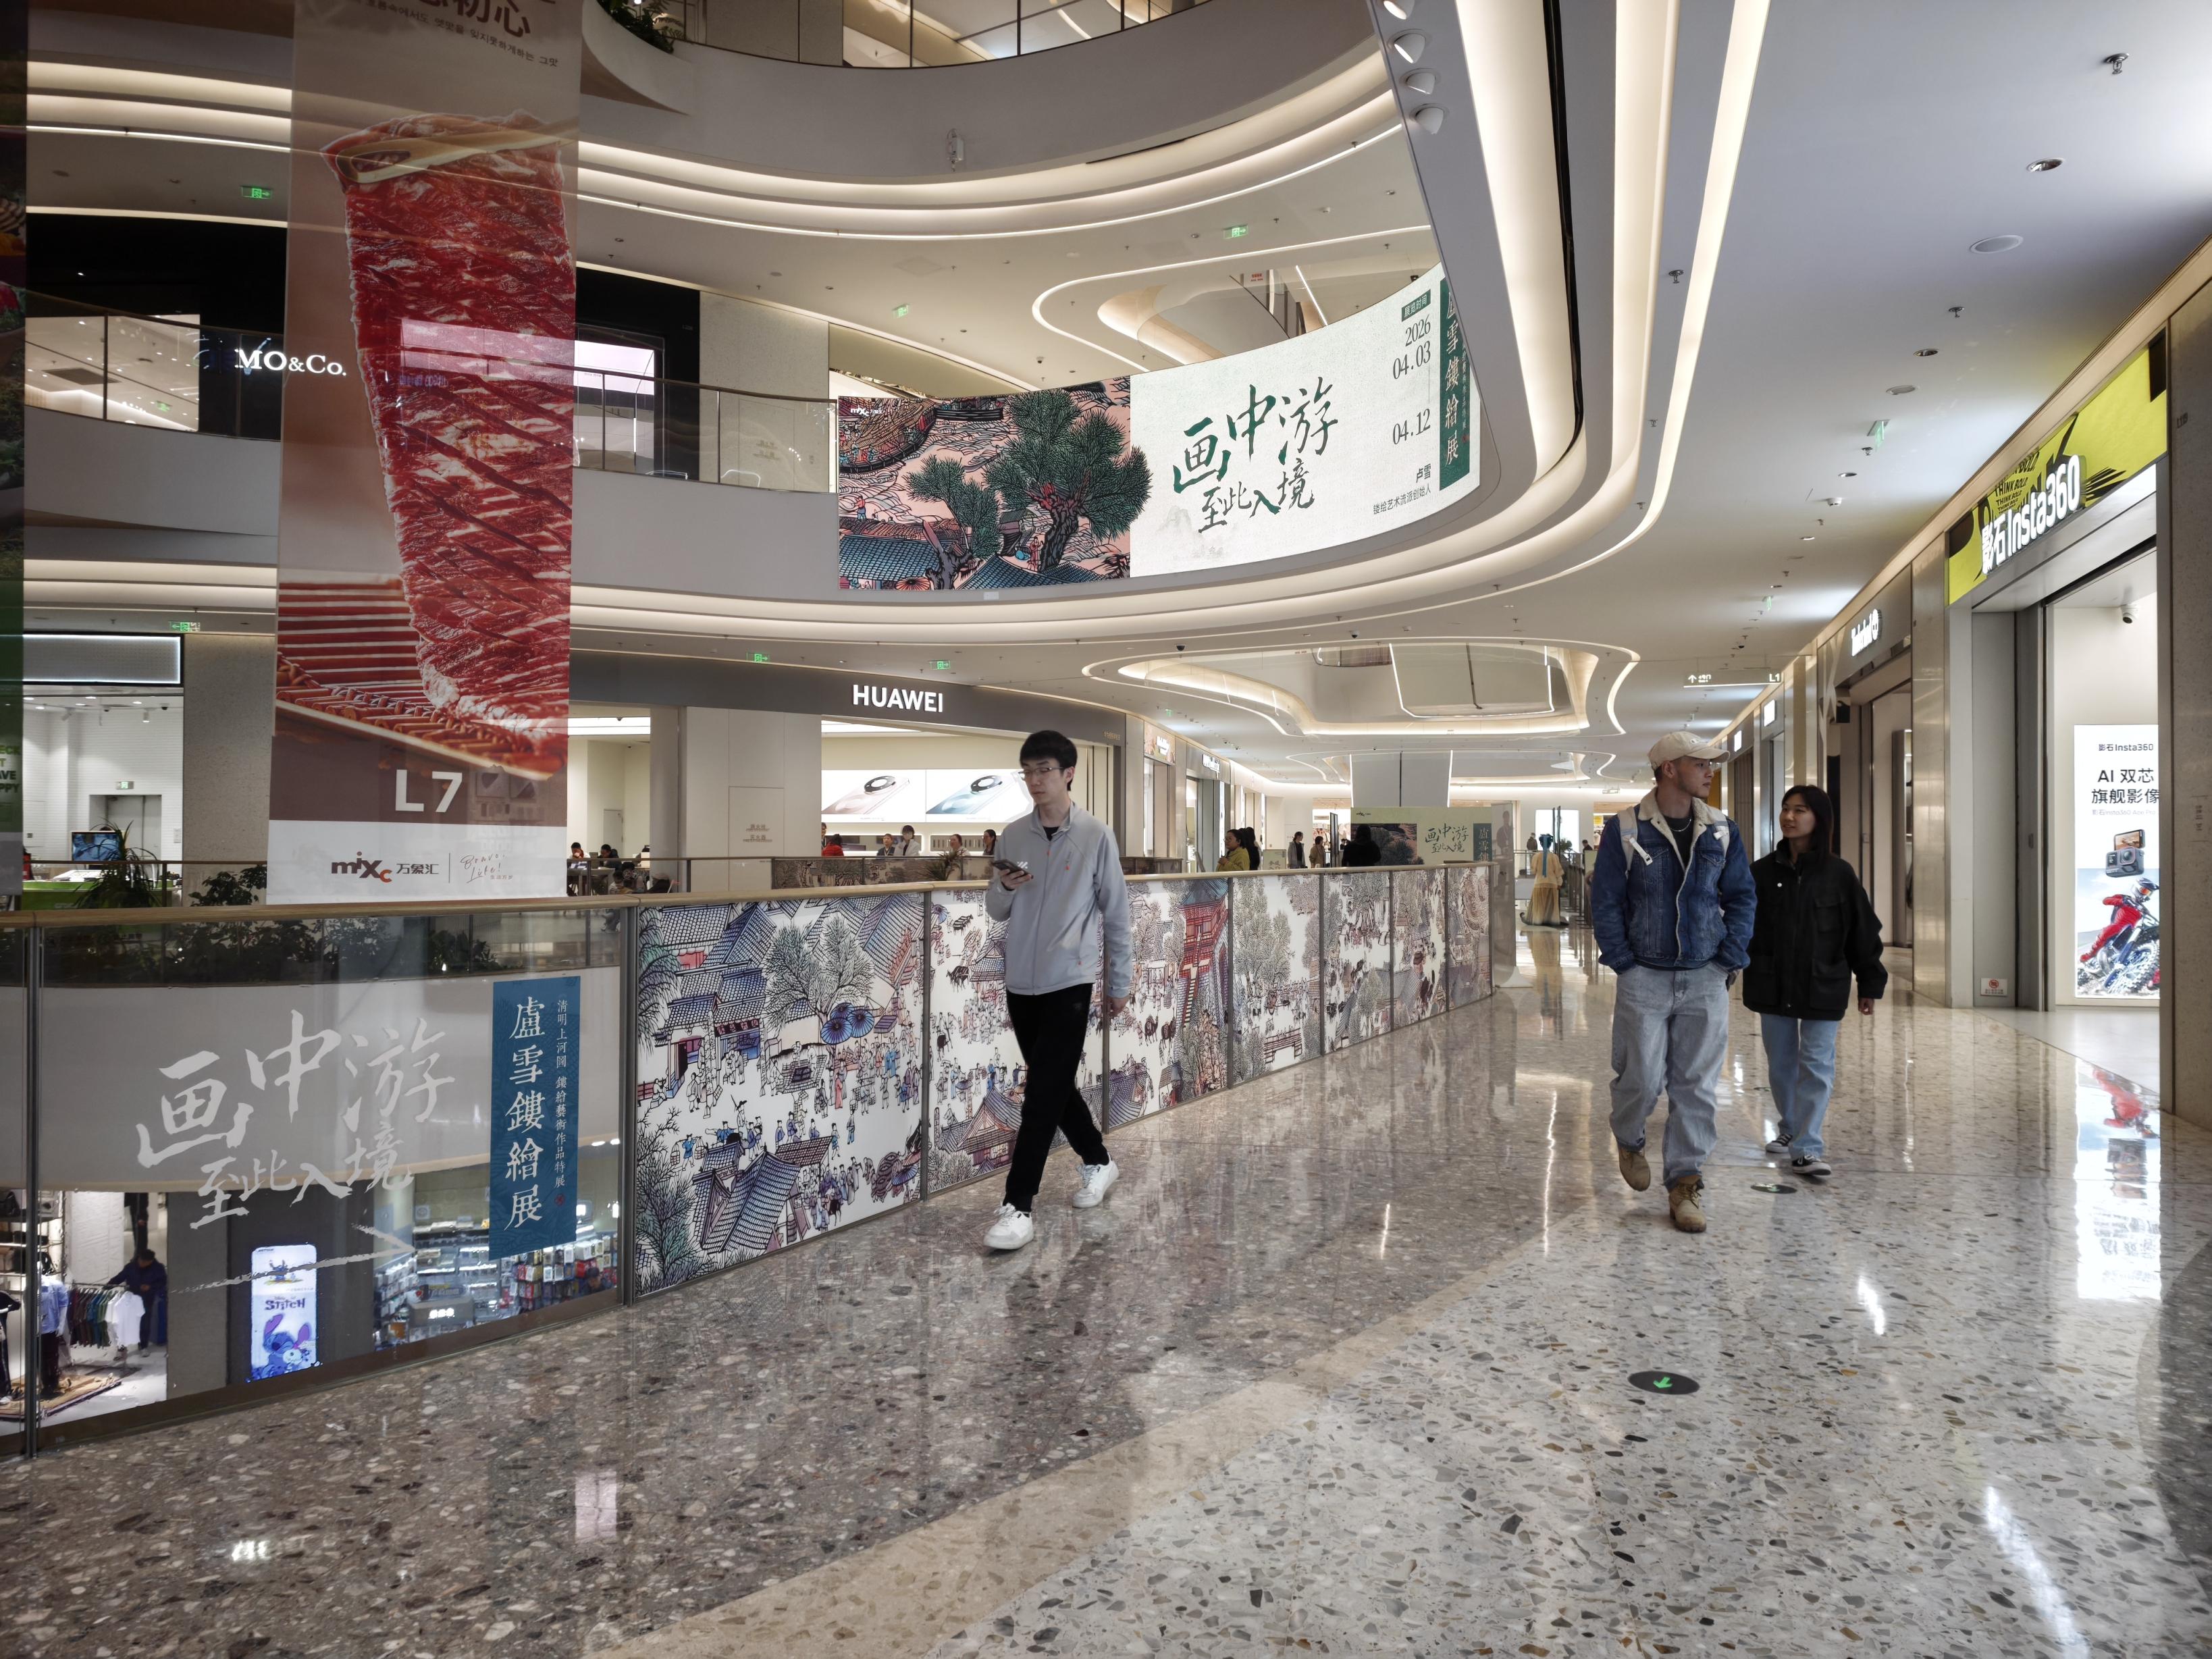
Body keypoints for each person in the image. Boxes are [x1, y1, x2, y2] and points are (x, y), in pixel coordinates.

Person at [1589, 731, 1756, 1234]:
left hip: (1705, 974)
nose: (1709, 771)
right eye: (1699, 763)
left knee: (1696, 1086)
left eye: (1710, 764)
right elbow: (1606, 901)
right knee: (1640, 1077)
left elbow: (1741, 897)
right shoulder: (1625, 829)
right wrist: (1624, 962)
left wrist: (1727, 960)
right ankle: (1629, 1137)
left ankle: (1685, 1182)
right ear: (1668, 769)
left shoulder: (1721, 830)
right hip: (1645, 973)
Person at [982, 729, 1132, 1251]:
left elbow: (1117, 914)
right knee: (1054, 1084)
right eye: (1027, 770)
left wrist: (1119, 982)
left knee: (1041, 1094)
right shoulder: (1013, 836)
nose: (1034, 780)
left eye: (1044, 769)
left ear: (1069, 773)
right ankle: (1098, 1159)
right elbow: (996, 910)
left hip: (1070, 979)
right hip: (1020, 983)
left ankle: (1018, 1204)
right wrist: (1004, 886)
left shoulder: (1095, 835)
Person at [1743, 785, 1884, 1182]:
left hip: (1824, 983)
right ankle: (1790, 1127)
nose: (1789, 817)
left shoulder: (1839, 874)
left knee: (1817, 1064)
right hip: (1772, 983)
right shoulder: (1761, 872)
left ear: (1819, 818)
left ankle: (1808, 1147)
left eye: (1800, 810)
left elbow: (1862, 931)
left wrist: (1869, 981)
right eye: (1786, 809)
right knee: (1781, 1064)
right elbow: (1742, 927)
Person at [109, 1245, 166, 1352]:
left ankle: (143, 1346)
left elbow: (163, 1282)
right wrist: (108, 1286)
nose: (141, 1263)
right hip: (131, 1297)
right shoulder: (131, 1267)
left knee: (144, 1323)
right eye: (140, 1260)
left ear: (150, 1261)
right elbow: (120, 1277)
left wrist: (150, 1287)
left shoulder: (158, 1268)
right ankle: (122, 1347)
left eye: (144, 1262)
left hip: (147, 1299)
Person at [1523, 833, 1566, 928]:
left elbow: (1534, 871)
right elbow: (1558, 873)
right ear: (1550, 844)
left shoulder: (1536, 857)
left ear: (1541, 844)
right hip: (1552, 883)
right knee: (1551, 906)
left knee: (1539, 906)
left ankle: (1538, 920)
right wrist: (1560, 883)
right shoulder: (1554, 857)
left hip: (1539, 883)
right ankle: (1550, 921)